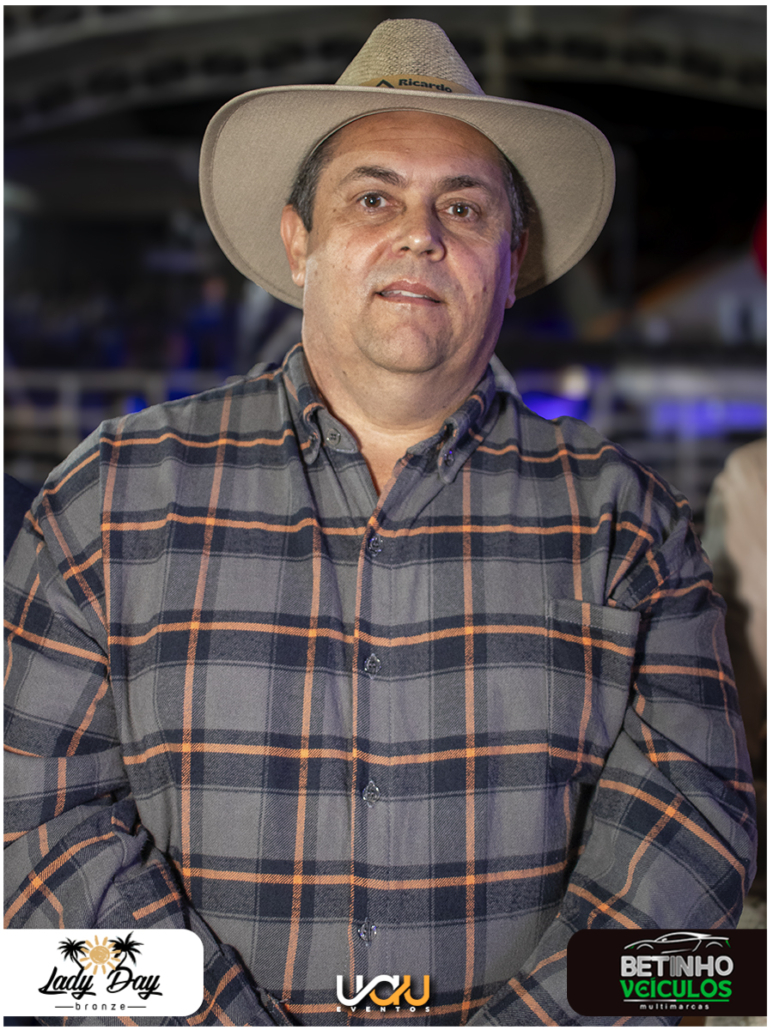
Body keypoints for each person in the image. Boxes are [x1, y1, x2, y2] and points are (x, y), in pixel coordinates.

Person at [4, 19, 756, 1027]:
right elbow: (30, 838)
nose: (419, 233)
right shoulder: (110, 497)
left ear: (509, 259)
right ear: (298, 242)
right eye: (373, 198)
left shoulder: (629, 520)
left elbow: (699, 839)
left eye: (462, 206)